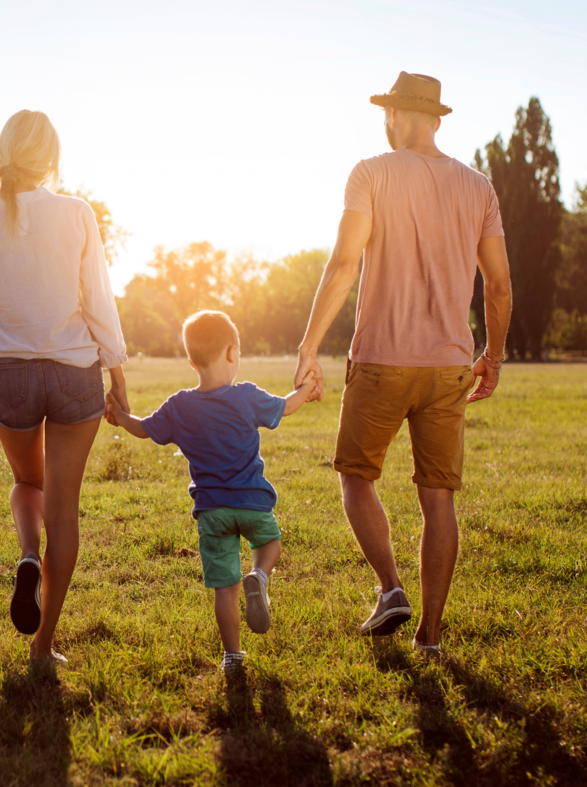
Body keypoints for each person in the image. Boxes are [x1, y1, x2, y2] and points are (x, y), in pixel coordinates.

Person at [292, 71, 513, 659]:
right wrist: (492, 354)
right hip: (449, 367)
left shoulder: (370, 173)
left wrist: (308, 345)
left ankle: (391, 587)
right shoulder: (479, 187)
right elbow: (499, 284)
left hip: (381, 360)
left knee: (356, 476)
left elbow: (343, 265)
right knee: (438, 499)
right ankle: (431, 637)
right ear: (436, 120)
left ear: (392, 117)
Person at [0, 110, 129, 665]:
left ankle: (28, 556)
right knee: (65, 510)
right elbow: (98, 298)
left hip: (11, 376)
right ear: (50, 156)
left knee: (29, 483)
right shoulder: (77, 213)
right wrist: (117, 372)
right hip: (76, 374)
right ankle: (43, 646)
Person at [110, 311, 308, 675]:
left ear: (191, 361)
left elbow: (143, 429)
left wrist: (120, 416)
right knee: (269, 545)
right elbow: (288, 406)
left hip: (212, 511)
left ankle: (232, 656)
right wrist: (307, 390)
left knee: (225, 588)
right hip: (253, 503)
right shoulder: (247, 396)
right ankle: (261, 575)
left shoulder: (179, 406)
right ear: (232, 352)